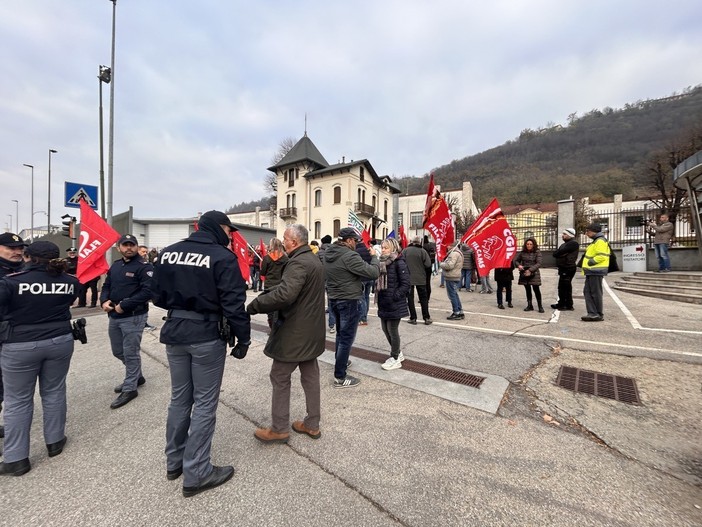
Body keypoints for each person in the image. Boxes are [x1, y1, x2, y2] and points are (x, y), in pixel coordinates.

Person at [151, 210, 250, 497]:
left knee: (179, 399)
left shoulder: (168, 253)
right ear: (216, 227)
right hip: (206, 336)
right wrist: (242, 338)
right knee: (205, 403)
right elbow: (234, 303)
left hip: (175, 330)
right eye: (228, 230)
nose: (231, 235)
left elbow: (156, 295)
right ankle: (197, 473)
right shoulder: (221, 256)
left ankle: (175, 462)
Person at [0, 241, 79, 476]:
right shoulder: (70, 282)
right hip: (60, 340)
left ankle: (16, 457)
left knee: (17, 400)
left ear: (28, 257)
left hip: (20, 344)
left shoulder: (11, 282)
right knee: (54, 391)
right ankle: (55, 442)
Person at [246, 224, 325, 443]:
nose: (283, 241)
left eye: (285, 238)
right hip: (310, 330)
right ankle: (312, 424)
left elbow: (285, 295)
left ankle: (279, 428)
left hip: (295, 331)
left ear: (294, 241)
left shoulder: (298, 262)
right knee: (310, 376)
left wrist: (255, 305)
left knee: (280, 375)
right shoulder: (312, 259)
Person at [100, 233, 153, 409]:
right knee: (118, 351)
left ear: (137, 247)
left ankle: (130, 387)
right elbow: (107, 285)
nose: (129, 248)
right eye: (125, 245)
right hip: (114, 315)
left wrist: (125, 305)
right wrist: (104, 301)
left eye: (132, 245)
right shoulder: (116, 266)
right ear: (119, 248)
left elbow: (148, 291)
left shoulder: (144, 267)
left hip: (133, 316)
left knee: (130, 352)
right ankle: (137, 376)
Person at [323, 227, 379, 388]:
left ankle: (341, 361)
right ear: (348, 241)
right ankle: (340, 377)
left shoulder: (328, 253)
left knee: (341, 334)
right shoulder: (349, 255)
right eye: (355, 241)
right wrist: (374, 258)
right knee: (347, 338)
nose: (356, 243)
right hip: (348, 299)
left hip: (334, 298)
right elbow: (372, 273)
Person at [0, 232, 28, 442]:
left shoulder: (23, 271)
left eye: (20, 248)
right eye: (12, 248)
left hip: (15, 337)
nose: (17, 252)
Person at [377, 238, 411, 370]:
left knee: (392, 330)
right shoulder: (381, 262)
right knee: (386, 330)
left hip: (393, 302)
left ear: (393, 248)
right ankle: (398, 352)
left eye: (386, 247)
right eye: (382, 247)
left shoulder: (399, 262)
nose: (383, 249)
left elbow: (405, 284)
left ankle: (395, 358)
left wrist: (394, 296)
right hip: (383, 301)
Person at [581, 223, 610, 322]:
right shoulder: (596, 241)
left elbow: (602, 256)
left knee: (595, 293)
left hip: (595, 271)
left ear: (594, 231)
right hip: (591, 271)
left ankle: (596, 313)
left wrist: (591, 262)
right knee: (588, 292)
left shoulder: (600, 241)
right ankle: (592, 313)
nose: (586, 233)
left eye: (588, 231)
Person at [259, 238, 289, 328]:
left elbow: (263, 272)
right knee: (280, 307)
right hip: (281, 285)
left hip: (269, 286)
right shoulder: (286, 258)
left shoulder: (267, 258)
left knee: (270, 308)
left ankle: (272, 327)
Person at [403, 236, 432, 325]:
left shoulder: (405, 251)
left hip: (408, 278)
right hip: (421, 278)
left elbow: (401, 262)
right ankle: (426, 317)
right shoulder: (422, 251)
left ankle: (413, 317)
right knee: (423, 298)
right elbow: (428, 264)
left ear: (412, 241)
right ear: (419, 242)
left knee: (410, 298)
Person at [551, 228, 580, 311]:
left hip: (568, 267)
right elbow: (555, 254)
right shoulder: (565, 244)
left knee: (565, 287)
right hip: (563, 267)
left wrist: (560, 253)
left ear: (570, 235)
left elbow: (559, 253)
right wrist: (560, 254)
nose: (562, 235)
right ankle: (562, 303)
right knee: (562, 286)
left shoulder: (573, 244)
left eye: (565, 234)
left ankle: (566, 305)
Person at [515, 237, 544, 313]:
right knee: (528, 290)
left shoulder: (537, 252)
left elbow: (539, 263)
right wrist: (519, 265)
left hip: (534, 273)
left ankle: (540, 306)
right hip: (525, 273)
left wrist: (530, 270)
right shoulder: (522, 252)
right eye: (527, 244)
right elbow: (516, 261)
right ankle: (529, 305)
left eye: (531, 244)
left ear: (533, 245)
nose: (529, 245)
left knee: (536, 289)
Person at [440, 241, 464, 320]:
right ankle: (460, 311)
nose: (447, 247)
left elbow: (449, 265)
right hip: (455, 275)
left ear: (451, 246)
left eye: (448, 245)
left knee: (452, 295)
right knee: (455, 294)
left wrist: (441, 264)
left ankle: (456, 312)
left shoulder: (453, 254)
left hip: (452, 276)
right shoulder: (458, 253)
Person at [318, 235, 335, 333]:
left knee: (319, 301)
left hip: (321, 279)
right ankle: (332, 325)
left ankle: (318, 325)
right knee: (331, 301)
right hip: (332, 278)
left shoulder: (319, 252)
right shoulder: (334, 251)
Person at [355, 238, 374, 326]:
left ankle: (363, 318)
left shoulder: (356, 251)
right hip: (369, 276)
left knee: (361, 298)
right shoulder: (369, 250)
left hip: (361, 278)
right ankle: (365, 315)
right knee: (366, 297)